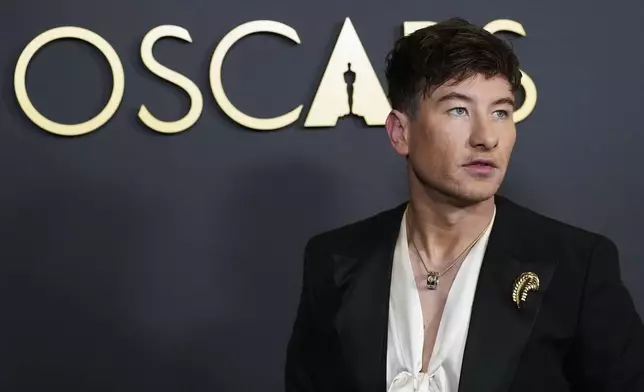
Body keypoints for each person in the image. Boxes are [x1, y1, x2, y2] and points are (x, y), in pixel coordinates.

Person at [284, 17, 644, 392]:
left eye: (501, 112)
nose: (486, 137)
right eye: (458, 110)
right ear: (400, 132)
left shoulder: (577, 267)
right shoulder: (334, 261)